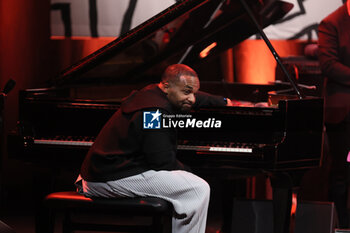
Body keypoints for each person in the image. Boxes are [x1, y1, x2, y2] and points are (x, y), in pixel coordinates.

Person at [75, 64, 232, 233]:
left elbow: (191, 94)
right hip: (107, 178)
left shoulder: (152, 92)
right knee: (197, 189)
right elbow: (162, 161)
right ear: (166, 86)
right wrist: (189, 171)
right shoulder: (153, 113)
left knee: (190, 184)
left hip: (106, 170)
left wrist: (223, 102)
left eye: (193, 92)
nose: (192, 99)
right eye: (187, 93)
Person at [318, 0, 350, 228]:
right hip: (343, 110)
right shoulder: (331, 22)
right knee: (341, 171)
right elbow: (328, 64)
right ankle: (339, 224)